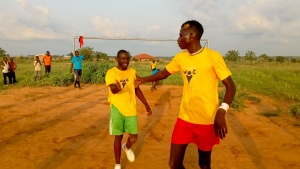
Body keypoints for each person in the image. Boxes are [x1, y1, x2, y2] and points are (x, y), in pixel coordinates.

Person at [135, 20, 236, 169]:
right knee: (174, 164)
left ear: (192, 35)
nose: (177, 39)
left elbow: (231, 87)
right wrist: (142, 80)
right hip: (184, 118)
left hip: (207, 120)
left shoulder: (213, 57)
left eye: (180, 35)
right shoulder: (180, 58)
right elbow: (163, 73)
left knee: (204, 163)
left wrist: (222, 111)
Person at [105, 49, 152, 169]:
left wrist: (146, 104)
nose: (126, 61)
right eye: (123, 59)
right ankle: (117, 164)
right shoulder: (111, 73)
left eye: (127, 59)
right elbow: (113, 89)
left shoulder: (132, 72)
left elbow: (137, 89)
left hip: (131, 108)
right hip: (117, 109)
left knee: (133, 137)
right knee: (118, 137)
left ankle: (127, 147)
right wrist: (118, 87)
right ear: (117, 59)